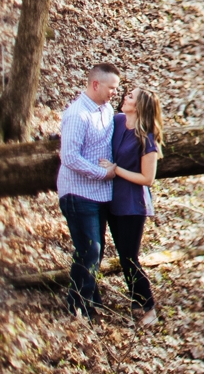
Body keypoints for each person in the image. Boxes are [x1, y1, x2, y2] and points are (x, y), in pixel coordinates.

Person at [56, 62, 119, 320]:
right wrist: (102, 173)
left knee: (96, 249)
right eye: (111, 87)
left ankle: (90, 299)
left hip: (100, 194)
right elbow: (69, 156)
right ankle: (77, 305)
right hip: (78, 193)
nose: (115, 92)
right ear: (95, 84)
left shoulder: (107, 109)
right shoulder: (77, 114)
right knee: (89, 249)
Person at [100, 87, 162, 326]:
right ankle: (137, 302)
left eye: (130, 96)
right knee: (124, 256)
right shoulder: (116, 121)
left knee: (129, 258)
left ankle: (149, 308)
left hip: (133, 204)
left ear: (139, 106)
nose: (125, 97)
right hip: (112, 200)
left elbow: (148, 179)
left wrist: (116, 169)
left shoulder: (145, 138)